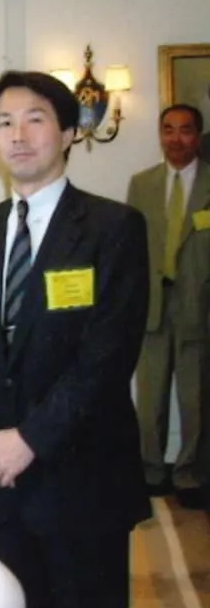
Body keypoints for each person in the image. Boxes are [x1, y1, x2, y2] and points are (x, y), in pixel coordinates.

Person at [0, 70, 151, 608]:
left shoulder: (113, 227)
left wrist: (28, 439)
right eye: (4, 123)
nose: (18, 135)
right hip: (1, 479)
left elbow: (106, 357)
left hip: (81, 476)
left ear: (66, 133)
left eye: (34, 118)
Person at [128, 105, 210, 508]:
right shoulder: (141, 184)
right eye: (168, 130)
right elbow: (131, 248)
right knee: (150, 398)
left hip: (199, 305)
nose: (176, 139)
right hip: (152, 304)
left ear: (199, 135)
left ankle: (191, 475)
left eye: (186, 131)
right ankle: (150, 470)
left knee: (196, 399)